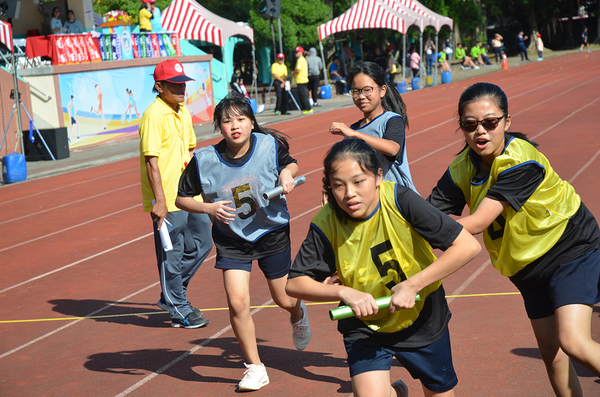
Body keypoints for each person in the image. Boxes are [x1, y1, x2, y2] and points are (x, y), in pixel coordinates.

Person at [427, 82, 600, 396]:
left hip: (569, 248)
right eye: (470, 125)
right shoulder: (461, 168)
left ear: (506, 122)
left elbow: (478, 223)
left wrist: (432, 229)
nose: (481, 131)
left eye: (490, 122)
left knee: (574, 342)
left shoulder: (521, 160)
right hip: (525, 265)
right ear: (462, 129)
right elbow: (426, 215)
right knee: (552, 355)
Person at [286, 138, 481, 397]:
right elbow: (295, 283)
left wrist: (413, 284)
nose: (349, 193)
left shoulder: (400, 200)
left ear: (378, 176)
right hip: (365, 326)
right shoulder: (326, 222)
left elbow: (467, 246)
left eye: (358, 182)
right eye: (338, 185)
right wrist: (344, 293)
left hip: (422, 316)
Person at [176, 93, 311, 392]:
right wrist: (208, 208)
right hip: (232, 239)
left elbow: (292, 165)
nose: (234, 126)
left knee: (284, 298)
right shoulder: (204, 160)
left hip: (270, 232)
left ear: (251, 122)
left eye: (240, 119)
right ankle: (255, 367)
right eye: (227, 121)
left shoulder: (268, 145)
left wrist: (287, 175)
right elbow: (181, 198)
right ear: (219, 127)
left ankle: (298, 313)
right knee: (237, 302)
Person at [139, 59, 213, 329]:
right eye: (175, 84)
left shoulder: (183, 111)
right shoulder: (153, 115)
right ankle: (178, 308)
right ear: (159, 86)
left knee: (204, 242)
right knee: (173, 253)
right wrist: (158, 201)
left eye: (183, 83)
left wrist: (201, 188)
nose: (181, 89)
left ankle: (170, 294)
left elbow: (191, 151)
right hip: (167, 201)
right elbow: (151, 161)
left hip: (189, 196)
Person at [328, 61, 418, 193]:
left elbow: (392, 148)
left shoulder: (392, 120)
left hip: (398, 200)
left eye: (367, 90)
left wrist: (355, 135)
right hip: (370, 202)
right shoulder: (354, 130)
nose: (361, 96)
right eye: (355, 91)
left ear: (382, 91)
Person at [293, 46, 312, 114]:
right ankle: (305, 108)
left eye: (297, 52)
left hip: (301, 80)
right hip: (302, 79)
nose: (296, 54)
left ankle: (307, 108)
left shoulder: (300, 60)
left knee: (303, 95)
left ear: (301, 52)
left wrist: (293, 72)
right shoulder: (303, 59)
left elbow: (298, 70)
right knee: (303, 95)